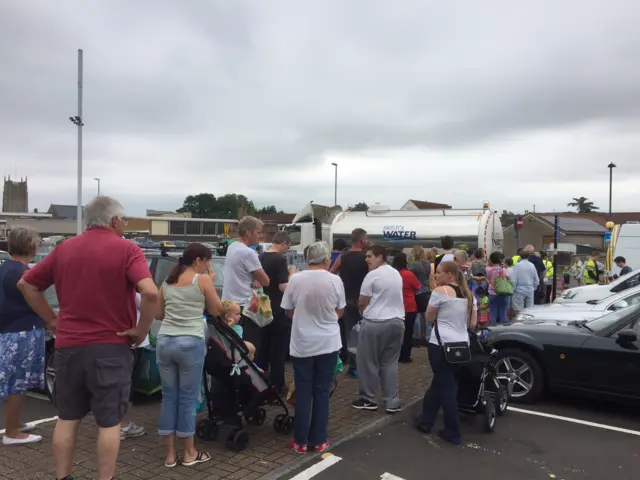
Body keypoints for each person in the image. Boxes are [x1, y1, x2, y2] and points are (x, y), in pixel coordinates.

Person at [18, 196, 159, 480]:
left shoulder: (64, 249)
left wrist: (52, 320)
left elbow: (27, 284)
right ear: (114, 220)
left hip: (69, 348)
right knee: (109, 423)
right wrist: (141, 330)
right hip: (110, 348)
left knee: (67, 418)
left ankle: (62, 477)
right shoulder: (128, 250)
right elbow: (151, 292)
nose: (125, 226)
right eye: (124, 221)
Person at [156, 243, 222, 468]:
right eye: (207, 261)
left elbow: (158, 313)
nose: (207, 266)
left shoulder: (167, 280)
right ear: (197, 261)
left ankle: (170, 456)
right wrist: (210, 285)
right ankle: (189, 452)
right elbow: (216, 310)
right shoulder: (201, 280)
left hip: (165, 341)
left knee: (168, 398)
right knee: (186, 399)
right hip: (190, 342)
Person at [281, 242, 345, 454]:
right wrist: (327, 319)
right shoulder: (335, 280)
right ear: (326, 260)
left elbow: (288, 310)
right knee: (322, 392)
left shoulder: (296, 279)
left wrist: (303, 318)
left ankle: (300, 441)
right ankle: (319, 440)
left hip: (302, 343)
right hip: (328, 342)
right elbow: (340, 310)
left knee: (303, 391)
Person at [0, 227, 54, 445]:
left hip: (9, 332)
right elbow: (36, 299)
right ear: (31, 246)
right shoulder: (23, 273)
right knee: (18, 383)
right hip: (23, 332)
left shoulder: (5, 268)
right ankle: (12, 431)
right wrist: (52, 319)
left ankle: (16, 422)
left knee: (16, 381)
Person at [415, 261, 477, 445]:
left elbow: (429, 317)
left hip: (441, 345)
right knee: (441, 382)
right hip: (461, 345)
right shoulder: (469, 296)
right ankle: (426, 421)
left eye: (439, 273)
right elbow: (472, 324)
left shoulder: (440, 292)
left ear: (449, 275)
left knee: (446, 387)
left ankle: (453, 431)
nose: (436, 276)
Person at [351, 245, 405, 414]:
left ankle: (368, 399)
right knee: (389, 363)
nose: (367, 260)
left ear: (380, 257)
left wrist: (363, 311)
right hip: (397, 322)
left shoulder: (372, 276)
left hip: (375, 322)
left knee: (368, 362)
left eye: (370, 256)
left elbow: (362, 301)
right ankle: (392, 401)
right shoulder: (395, 273)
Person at [221, 216, 270, 349]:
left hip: (229, 304)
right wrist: (257, 279)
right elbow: (266, 281)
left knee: (234, 346)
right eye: (258, 232)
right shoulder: (248, 253)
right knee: (250, 347)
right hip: (244, 307)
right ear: (249, 233)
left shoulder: (232, 247)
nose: (261, 236)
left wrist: (253, 278)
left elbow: (241, 272)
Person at [258, 232, 296, 393]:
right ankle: (277, 384)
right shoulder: (280, 260)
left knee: (262, 347)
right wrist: (292, 274)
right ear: (285, 243)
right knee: (278, 350)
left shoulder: (260, 257)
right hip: (278, 309)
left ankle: (260, 382)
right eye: (287, 247)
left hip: (262, 308)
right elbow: (283, 287)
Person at [331, 228, 369, 378]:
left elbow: (330, 273)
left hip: (345, 301)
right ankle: (362, 365)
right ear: (362, 241)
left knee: (350, 334)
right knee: (364, 334)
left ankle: (353, 365)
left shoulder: (342, 257)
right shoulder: (367, 258)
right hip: (364, 302)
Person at [120, 292, 148, 440]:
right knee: (128, 384)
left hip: (121, 341)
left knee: (123, 383)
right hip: (134, 342)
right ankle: (123, 425)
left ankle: (120, 423)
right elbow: (148, 306)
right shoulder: (133, 293)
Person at [392, 253, 421, 363]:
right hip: (409, 306)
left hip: (395, 306)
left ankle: (395, 354)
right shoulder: (409, 274)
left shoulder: (393, 274)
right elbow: (418, 287)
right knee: (408, 333)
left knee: (395, 333)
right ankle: (405, 356)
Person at [410, 245, 431, 346]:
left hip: (417, 291)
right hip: (426, 290)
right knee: (427, 316)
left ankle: (417, 337)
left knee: (417, 315)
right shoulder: (427, 263)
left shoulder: (414, 264)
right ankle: (427, 337)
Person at [510, 246, 539, 317]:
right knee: (529, 310)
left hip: (519, 291)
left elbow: (514, 280)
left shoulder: (517, 266)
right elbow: (537, 280)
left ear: (520, 256)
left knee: (518, 311)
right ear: (528, 256)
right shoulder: (532, 265)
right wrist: (533, 288)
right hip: (529, 290)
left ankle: (519, 323)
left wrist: (513, 290)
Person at [485, 252, 511, 325]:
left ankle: (492, 328)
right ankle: (502, 329)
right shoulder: (504, 270)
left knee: (493, 312)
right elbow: (509, 279)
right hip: (503, 293)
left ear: (491, 260)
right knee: (503, 313)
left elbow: (489, 278)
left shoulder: (489, 270)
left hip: (492, 293)